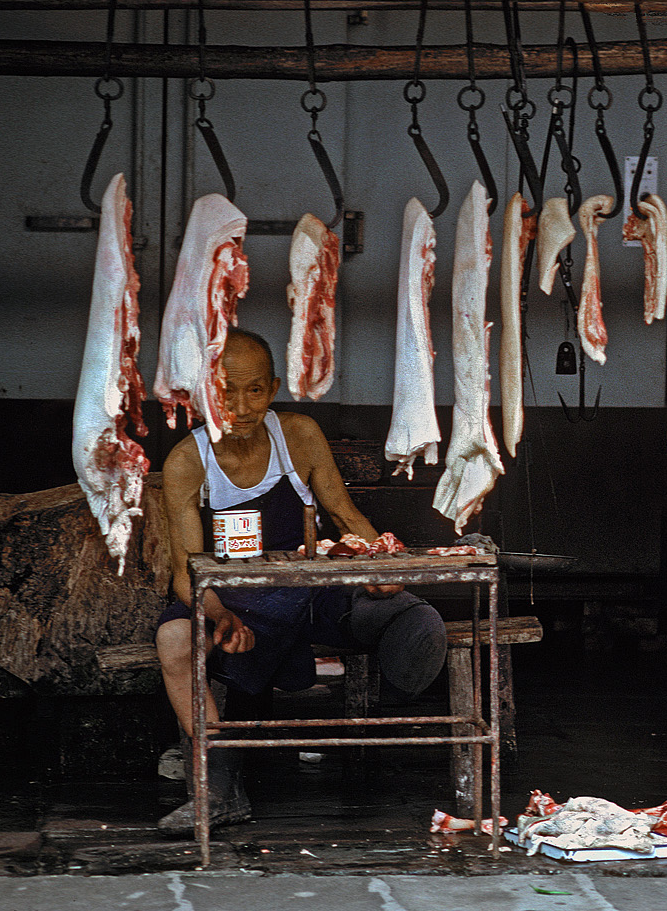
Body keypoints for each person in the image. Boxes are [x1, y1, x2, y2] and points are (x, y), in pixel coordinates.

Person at [154, 328, 447, 836]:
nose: (240, 406)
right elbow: (186, 572)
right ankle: (218, 789)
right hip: (232, 600)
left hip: (309, 591)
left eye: (253, 390)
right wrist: (221, 615)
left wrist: (384, 570)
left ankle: (403, 686)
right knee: (174, 639)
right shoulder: (186, 461)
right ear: (204, 391)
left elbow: (344, 514)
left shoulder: (299, 436)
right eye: (224, 391)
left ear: (272, 389)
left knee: (411, 615)